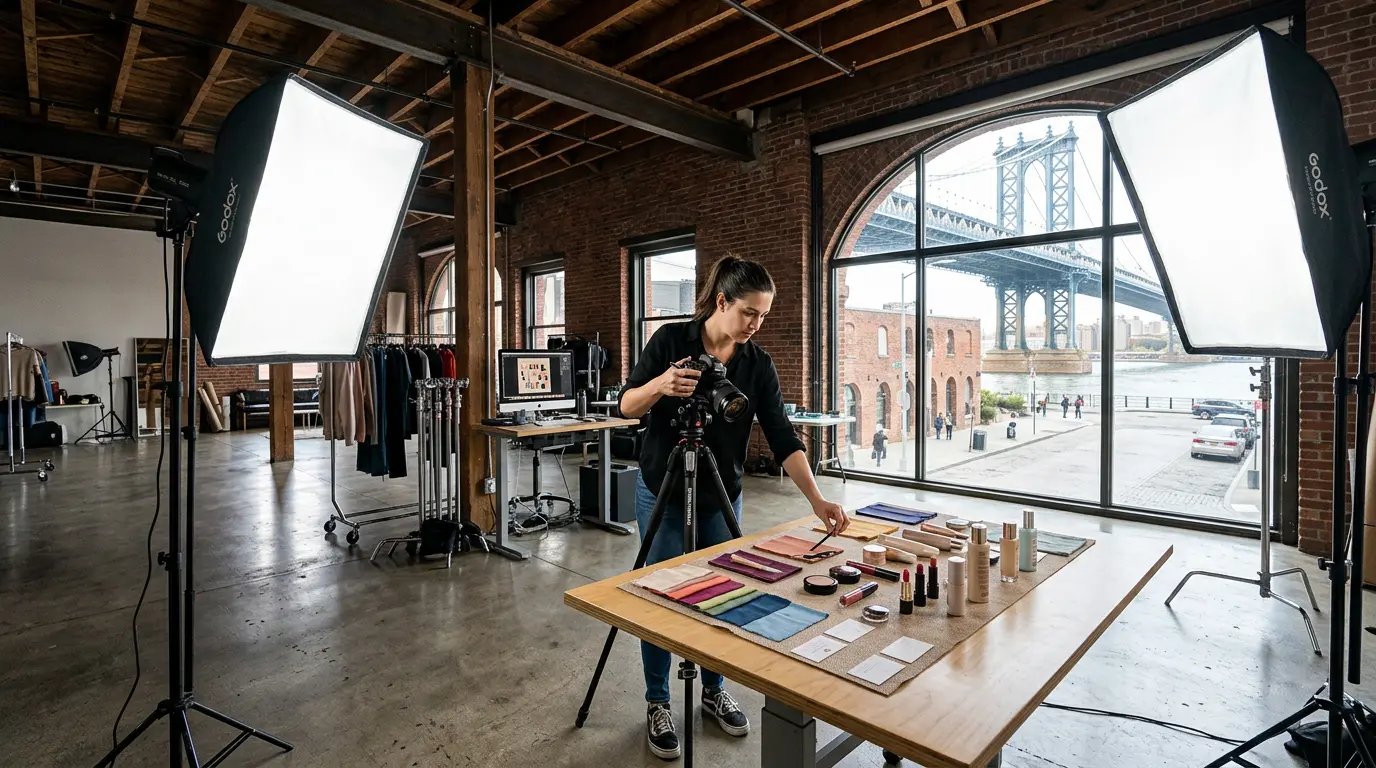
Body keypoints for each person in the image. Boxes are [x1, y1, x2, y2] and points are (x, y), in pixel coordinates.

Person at [618, 254, 850, 761]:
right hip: (662, 489)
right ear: (721, 301)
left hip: (721, 495)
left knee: (725, 595)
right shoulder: (670, 343)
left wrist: (817, 500)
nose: (755, 325)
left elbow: (783, 437)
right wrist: (659, 386)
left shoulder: (756, 363)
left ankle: (712, 688)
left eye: (763, 316)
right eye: (749, 313)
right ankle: (659, 701)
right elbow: (626, 406)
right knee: (660, 596)